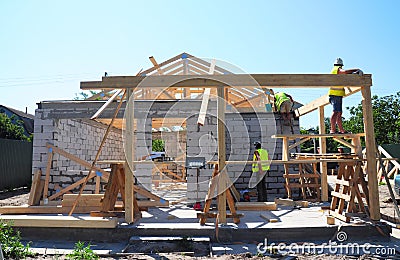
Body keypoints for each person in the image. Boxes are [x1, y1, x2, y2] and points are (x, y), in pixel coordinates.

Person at [329, 58, 363, 134]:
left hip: (338, 95)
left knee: (339, 113)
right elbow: (344, 72)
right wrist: (356, 70)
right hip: (335, 95)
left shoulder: (337, 72)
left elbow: (344, 74)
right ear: (340, 65)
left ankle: (341, 130)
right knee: (336, 112)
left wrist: (353, 74)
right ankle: (333, 130)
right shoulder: (336, 69)